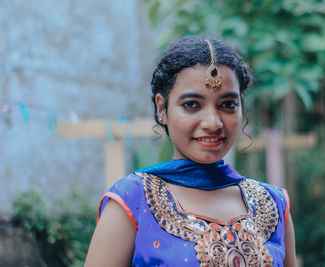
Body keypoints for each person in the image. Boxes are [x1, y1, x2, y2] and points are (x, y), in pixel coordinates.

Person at [85, 36, 296, 267]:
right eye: (192, 105)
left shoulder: (274, 204)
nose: (213, 123)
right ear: (162, 108)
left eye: (227, 105)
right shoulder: (132, 199)